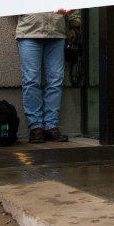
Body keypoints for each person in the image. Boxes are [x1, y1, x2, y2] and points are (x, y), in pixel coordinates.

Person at [16, 10, 82, 143]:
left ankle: (50, 126)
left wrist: (75, 25)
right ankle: (36, 127)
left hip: (56, 32)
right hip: (29, 31)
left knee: (55, 81)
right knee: (31, 80)